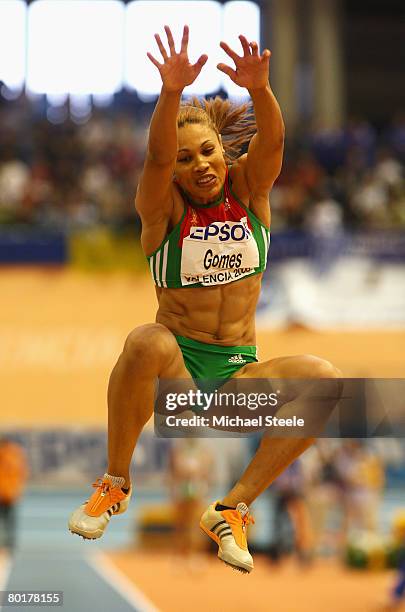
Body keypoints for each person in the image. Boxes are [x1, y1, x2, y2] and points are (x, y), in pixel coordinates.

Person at [68, 25, 341, 574]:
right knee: (145, 339)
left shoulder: (250, 191)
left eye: (208, 152)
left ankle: (232, 507)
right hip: (177, 376)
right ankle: (116, 482)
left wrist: (261, 91)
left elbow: (274, 144)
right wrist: (170, 94)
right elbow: (154, 157)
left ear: (224, 149)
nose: (200, 165)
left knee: (325, 379)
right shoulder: (161, 209)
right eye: (186, 158)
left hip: (235, 382)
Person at [0, 438, 28, 552]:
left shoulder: (9, 455)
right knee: (10, 522)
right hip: (10, 493)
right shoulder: (16, 455)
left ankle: (9, 544)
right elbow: (21, 475)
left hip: (6, 493)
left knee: (9, 521)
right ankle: (9, 544)